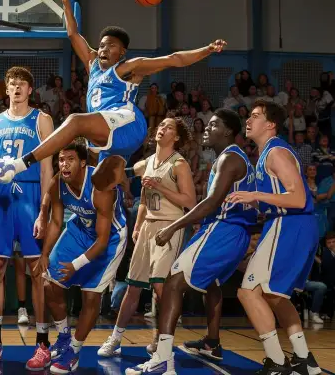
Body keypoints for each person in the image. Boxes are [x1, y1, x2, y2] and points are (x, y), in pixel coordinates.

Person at [0, 0, 225, 195]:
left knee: (75, 122)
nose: (103, 49)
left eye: (110, 46)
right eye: (101, 45)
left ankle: (16, 165)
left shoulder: (127, 68)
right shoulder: (92, 64)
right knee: (92, 184)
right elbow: (72, 33)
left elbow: (173, 59)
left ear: (121, 52)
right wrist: (67, 3)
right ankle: (122, 187)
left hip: (127, 123)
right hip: (105, 131)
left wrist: (207, 50)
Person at [125, 109, 257, 374]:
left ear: (229, 132)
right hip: (233, 231)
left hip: (224, 229)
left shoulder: (229, 158)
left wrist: (173, 226)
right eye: (207, 125)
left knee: (173, 283)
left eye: (214, 125)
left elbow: (209, 203)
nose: (206, 129)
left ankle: (162, 358)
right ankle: (212, 342)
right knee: (212, 285)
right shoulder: (235, 159)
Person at [227, 101, 321, 375]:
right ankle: (304, 360)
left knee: (247, 292)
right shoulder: (265, 154)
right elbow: (280, 198)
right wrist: (254, 204)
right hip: (290, 224)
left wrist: (256, 196)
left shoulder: (276, 152)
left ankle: (278, 363)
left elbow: (299, 197)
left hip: (290, 225)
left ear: (271, 125)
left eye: (255, 116)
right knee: (276, 297)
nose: (248, 120)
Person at [0, 66, 55, 368]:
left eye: (22, 84)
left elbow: (47, 169)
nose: (17, 88)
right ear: (5, 89)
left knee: (37, 271)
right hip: (0, 199)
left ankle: (43, 343)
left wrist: (44, 210)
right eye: (12, 84)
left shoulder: (42, 119)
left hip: (30, 195)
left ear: (30, 90)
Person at [98, 115, 195, 358]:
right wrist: (138, 225)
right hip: (148, 227)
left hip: (170, 226)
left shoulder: (179, 164)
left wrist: (161, 186)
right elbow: (137, 192)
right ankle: (115, 338)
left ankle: (161, 341)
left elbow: (190, 202)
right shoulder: (147, 162)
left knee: (161, 287)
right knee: (133, 287)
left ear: (177, 137)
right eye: (161, 125)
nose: (162, 129)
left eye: (169, 127)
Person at [34, 141, 127, 373]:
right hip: (79, 230)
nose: (64, 164)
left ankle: (74, 351)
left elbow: (103, 240)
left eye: (71, 159)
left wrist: (76, 265)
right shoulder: (57, 182)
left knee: (90, 297)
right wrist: (44, 253)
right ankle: (64, 337)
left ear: (83, 163)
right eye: (61, 159)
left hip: (110, 239)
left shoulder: (101, 186)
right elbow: (56, 222)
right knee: (49, 283)